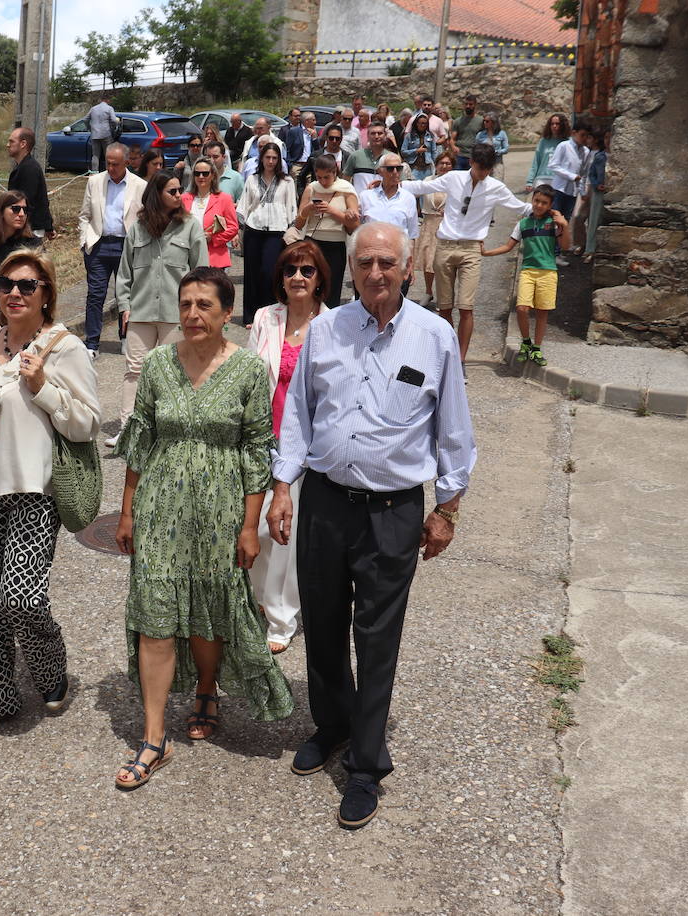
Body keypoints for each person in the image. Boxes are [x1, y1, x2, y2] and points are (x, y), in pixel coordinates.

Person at [268, 221, 476, 830]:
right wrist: (284, 487)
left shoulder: (434, 337)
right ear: (352, 268)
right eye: (365, 263)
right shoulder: (326, 331)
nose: (376, 273)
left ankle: (365, 766)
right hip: (327, 503)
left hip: (393, 513)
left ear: (406, 268)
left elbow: (454, 432)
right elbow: (299, 418)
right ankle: (331, 725)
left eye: (387, 262)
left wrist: (447, 509)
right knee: (324, 626)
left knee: (377, 638)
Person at [113, 266, 292, 790]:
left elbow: (256, 448)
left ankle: (208, 688)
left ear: (226, 313)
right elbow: (140, 442)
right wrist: (126, 510)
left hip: (220, 513)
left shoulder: (248, 372)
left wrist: (250, 525)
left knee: (208, 612)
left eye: (204, 305)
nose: (192, 314)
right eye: (185, 304)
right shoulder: (159, 366)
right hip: (159, 509)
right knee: (155, 614)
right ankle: (153, 737)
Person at [0, 250, 100, 740]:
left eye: (27, 286)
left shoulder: (63, 348)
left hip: (34, 493)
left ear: (46, 293)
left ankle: (50, 670)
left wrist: (43, 385)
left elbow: (88, 422)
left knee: (22, 598)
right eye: (7, 284)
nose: (15, 293)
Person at [246, 243, 330, 654]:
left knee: (285, 533)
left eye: (307, 271)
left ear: (319, 280)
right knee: (256, 527)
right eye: (291, 270)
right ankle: (259, 599)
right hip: (263, 440)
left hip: (304, 448)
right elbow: (247, 375)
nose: (298, 277)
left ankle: (282, 617)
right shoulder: (265, 318)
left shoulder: (333, 324)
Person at [401, 143, 532, 363]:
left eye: (488, 169)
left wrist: (550, 210)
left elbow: (521, 207)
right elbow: (420, 187)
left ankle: (460, 360)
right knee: (444, 307)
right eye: (480, 168)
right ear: (471, 163)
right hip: (445, 246)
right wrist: (390, 183)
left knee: (466, 307)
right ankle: (448, 356)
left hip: (471, 249)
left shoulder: (495, 187)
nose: (484, 173)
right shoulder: (453, 178)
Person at [111, 171, 209, 446]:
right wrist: (124, 306)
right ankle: (128, 428)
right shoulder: (138, 228)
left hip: (176, 314)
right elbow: (124, 272)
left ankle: (170, 427)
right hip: (140, 312)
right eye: (173, 191)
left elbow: (201, 273)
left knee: (174, 372)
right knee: (134, 370)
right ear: (157, 194)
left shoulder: (190, 226)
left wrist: (197, 310)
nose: (179, 196)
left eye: (180, 190)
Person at [482, 184, 567, 368]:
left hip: (548, 272)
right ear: (532, 200)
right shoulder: (522, 224)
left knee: (542, 311)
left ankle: (536, 348)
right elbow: (508, 246)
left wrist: (564, 225)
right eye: (536, 201)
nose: (539, 205)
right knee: (522, 308)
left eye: (544, 203)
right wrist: (486, 253)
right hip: (528, 271)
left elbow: (566, 246)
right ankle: (526, 341)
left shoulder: (554, 224)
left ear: (550, 205)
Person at [77, 143, 146, 357]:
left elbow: (143, 218)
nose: (111, 167)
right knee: (95, 295)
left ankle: (125, 338)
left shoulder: (139, 185)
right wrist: (84, 241)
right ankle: (92, 343)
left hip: (126, 245)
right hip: (98, 245)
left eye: (115, 164)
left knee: (126, 296)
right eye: (108, 163)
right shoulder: (95, 182)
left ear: (126, 162)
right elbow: (84, 215)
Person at [237, 138, 296, 328]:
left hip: (277, 230)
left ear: (279, 160)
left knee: (270, 272)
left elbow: (291, 208)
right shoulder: (252, 179)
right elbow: (243, 206)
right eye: (267, 157)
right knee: (252, 273)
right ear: (261, 158)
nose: (271, 161)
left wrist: (291, 229)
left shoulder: (287, 181)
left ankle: (271, 313)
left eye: (274, 158)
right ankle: (251, 316)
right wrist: (239, 230)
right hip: (254, 229)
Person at [294, 154, 360, 308]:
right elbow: (298, 223)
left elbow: (355, 223)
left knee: (332, 288)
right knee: (310, 284)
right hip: (312, 242)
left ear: (335, 173)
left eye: (327, 177)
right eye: (319, 177)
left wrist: (331, 210)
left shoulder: (346, 189)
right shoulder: (311, 188)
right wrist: (308, 209)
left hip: (335, 244)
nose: (323, 182)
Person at [358, 153, 419, 299]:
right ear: (380, 171)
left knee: (396, 306)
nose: (396, 173)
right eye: (391, 169)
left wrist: (411, 266)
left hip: (398, 260)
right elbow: (358, 232)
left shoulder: (409, 198)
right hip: (371, 261)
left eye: (399, 168)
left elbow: (412, 235)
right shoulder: (366, 197)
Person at [182, 155, 239, 270]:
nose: (201, 176)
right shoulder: (184, 198)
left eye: (205, 173)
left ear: (213, 175)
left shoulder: (224, 199)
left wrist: (213, 238)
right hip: (188, 257)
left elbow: (233, 228)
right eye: (197, 174)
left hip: (214, 258)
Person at [548, 120, 594, 259]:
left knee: (565, 222)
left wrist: (582, 191)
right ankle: (551, 253)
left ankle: (558, 252)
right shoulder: (564, 146)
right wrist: (571, 176)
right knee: (556, 222)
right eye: (582, 135)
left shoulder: (585, 151)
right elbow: (553, 165)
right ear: (574, 133)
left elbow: (583, 174)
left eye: (587, 136)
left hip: (572, 192)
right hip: (559, 189)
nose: (585, 139)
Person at [414, 151, 455, 304]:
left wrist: (451, 211)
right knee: (428, 262)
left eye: (448, 164)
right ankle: (428, 291)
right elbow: (414, 192)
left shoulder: (456, 184)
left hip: (447, 227)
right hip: (429, 224)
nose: (444, 166)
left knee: (444, 263)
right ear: (436, 165)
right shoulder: (428, 180)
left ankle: (445, 294)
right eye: (441, 163)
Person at [6, 127, 54, 238]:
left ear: (23, 144)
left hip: (29, 229)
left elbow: (28, 202)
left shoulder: (29, 168)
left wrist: (47, 226)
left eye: (11, 141)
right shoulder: (23, 166)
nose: (7, 145)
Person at [525, 114, 570, 192]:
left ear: (563, 125)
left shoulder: (568, 142)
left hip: (559, 180)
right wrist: (530, 181)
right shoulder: (543, 141)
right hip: (542, 179)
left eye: (557, 124)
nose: (554, 126)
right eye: (552, 124)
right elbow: (536, 162)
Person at [344, 123, 391, 197]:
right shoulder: (355, 156)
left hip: (384, 204)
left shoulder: (391, 158)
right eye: (373, 133)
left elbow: (399, 183)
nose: (376, 136)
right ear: (368, 136)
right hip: (360, 205)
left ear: (385, 136)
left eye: (380, 133)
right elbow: (345, 182)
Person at [583, 129, 609, 255]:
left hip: (613, 194)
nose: (608, 141)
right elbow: (591, 174)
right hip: (599, 192)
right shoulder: (600, 156)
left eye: (610, 138)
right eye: (606, 138)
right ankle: (590, 249)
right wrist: (596, 184)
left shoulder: (619, 157)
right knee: (593, 220)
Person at [86, 94, 119, 172]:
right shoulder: (109, 108)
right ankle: (109, 172)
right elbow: (114, 120)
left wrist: (89, 128)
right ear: (108, 100)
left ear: (101, 100)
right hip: (106, 134)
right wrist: (113, 127)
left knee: (95, 155)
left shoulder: (93, 108)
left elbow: (85, 119)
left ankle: (94, 173)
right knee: (108, 155)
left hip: (95, 135)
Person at [401, 114, 438, 179]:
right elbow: (403, 152)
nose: (423, 125)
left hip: (428, 168)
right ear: (416, 123)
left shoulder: (430, 136)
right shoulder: (409, 136)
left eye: (425, 123)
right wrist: (416, 151)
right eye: (421, 123)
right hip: (414, 168)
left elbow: (434, 151)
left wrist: (436, 165)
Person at [475, 113, 510, 183]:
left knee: (497, 183)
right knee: (483, 184)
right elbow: (475, 148)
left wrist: (496, 151)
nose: (485, 123)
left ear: (493, 122)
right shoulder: (480, 134)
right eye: (484, 121)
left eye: (487, 121)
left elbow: (506, 149)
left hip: (497, 163)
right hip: (483, 164)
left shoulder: (502, 133)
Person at [450, 95, 481, 169]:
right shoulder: (458, 121)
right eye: (466, 104)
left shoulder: (481, 121)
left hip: (473, 156)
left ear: (475, 105)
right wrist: (453, 147)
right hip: (459, 156)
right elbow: (452, 139)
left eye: (470, 104)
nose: (468, 106)